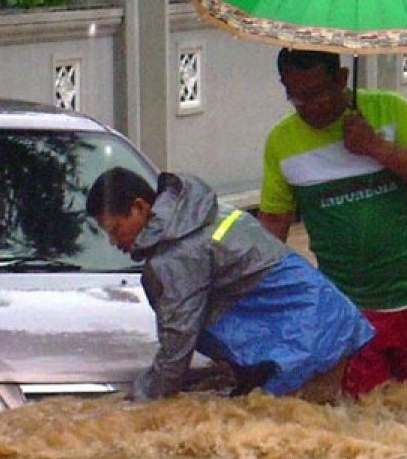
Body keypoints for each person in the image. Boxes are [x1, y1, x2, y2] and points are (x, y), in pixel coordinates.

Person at [258, 48, 407, 397]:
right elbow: (273, 228)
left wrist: (376, 148)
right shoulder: (282, 142)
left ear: (342, 79)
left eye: (316, 94)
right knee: (364, 424)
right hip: (350, 313)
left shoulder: (390, 111)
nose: (308, 107)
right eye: (296, 97)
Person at [87, 167, 374, 402]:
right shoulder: (199, 212)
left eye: (114, 230)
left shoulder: (176, 254)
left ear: (139, 207)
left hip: (306, 344)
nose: (114, 242)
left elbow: (177, 346)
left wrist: (138, 404)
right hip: (327, 320)